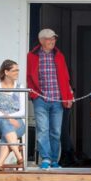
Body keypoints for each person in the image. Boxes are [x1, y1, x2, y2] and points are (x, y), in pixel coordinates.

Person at [27, 28, 74, 170]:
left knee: (56, 131)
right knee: (42, 130)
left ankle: (54, 160)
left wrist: (69, 95)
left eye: (53, 38)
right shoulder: (32, 56)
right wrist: (34, 94)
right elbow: (29, 77)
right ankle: (46, 158)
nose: (52, 41)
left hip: (57, 99)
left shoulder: (59, 55)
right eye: (49, 39)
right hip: (40, 99)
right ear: (41, 41)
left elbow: (65, 77)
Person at [0, 59, 25, 171]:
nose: (17, 72)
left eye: (18, 70)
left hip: (17, 123)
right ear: (6, 72)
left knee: (6, 130)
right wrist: (8, 118)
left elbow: (22, 111)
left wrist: (10, 118)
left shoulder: (20, 87)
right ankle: (18, 155)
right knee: (5, 123)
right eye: (14, 70)